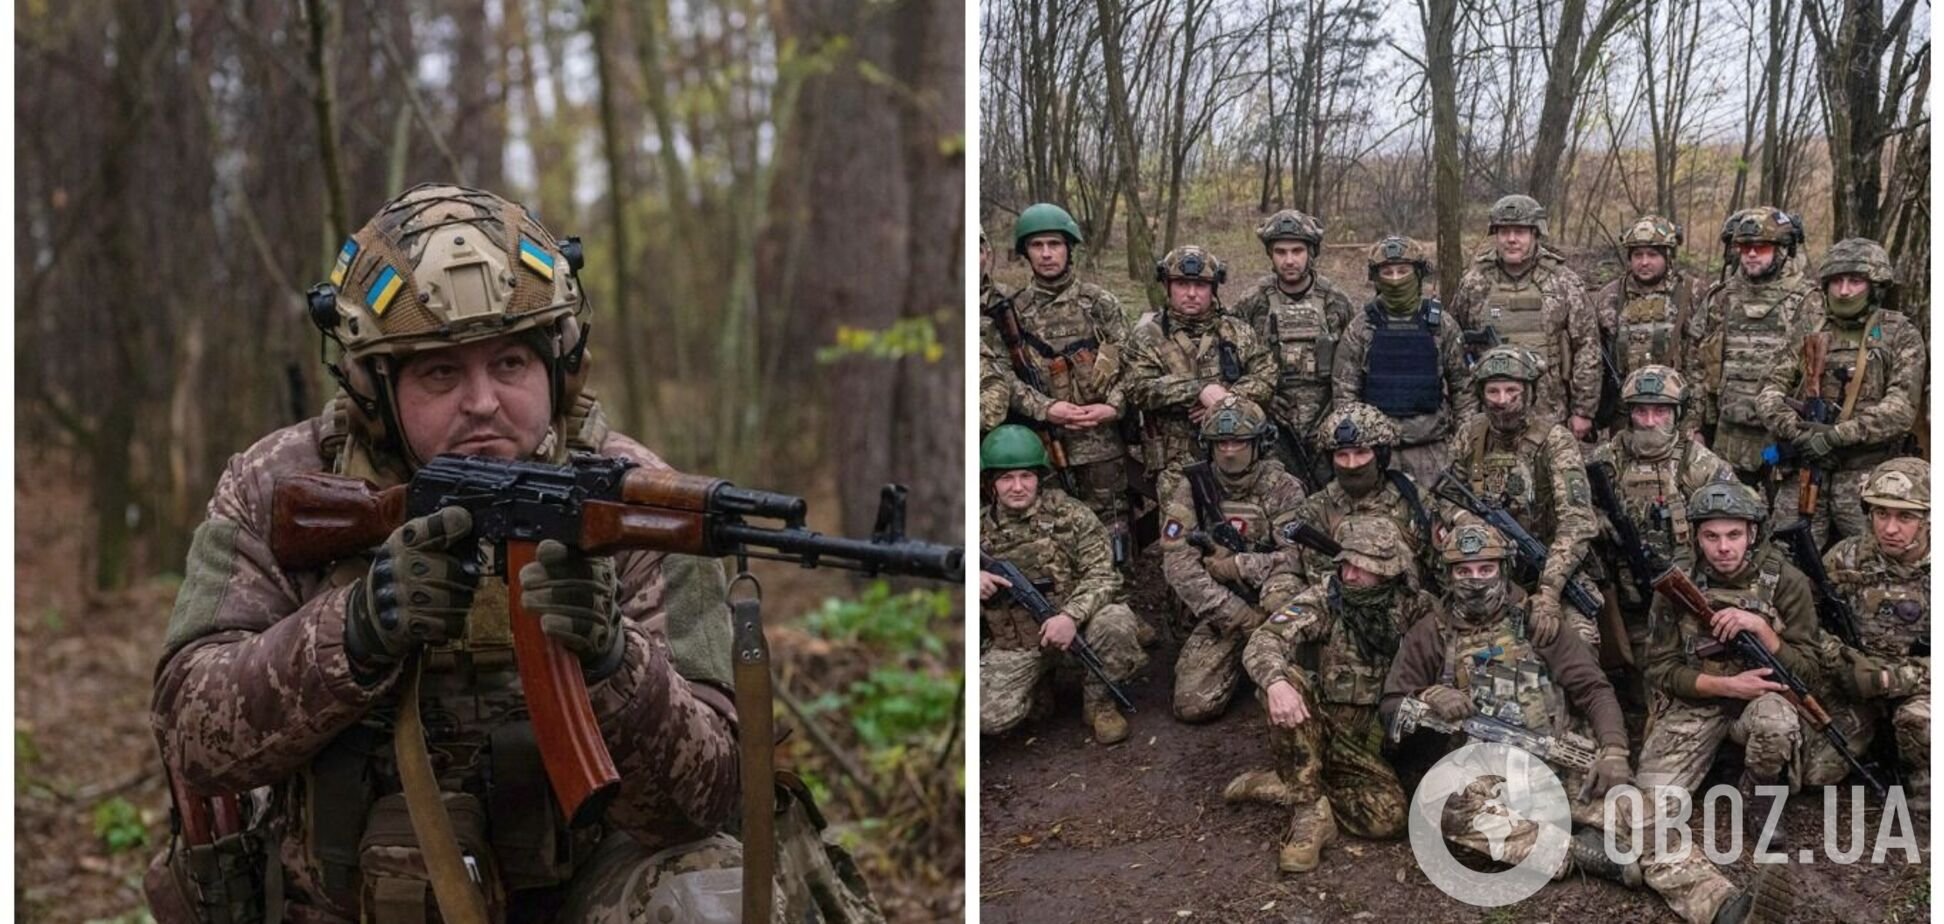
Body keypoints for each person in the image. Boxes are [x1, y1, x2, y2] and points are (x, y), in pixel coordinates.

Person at [145, 185, 877, 923]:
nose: (483, 402)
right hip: (337, 901)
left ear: (559, 365)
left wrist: (612, 660)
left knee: (704, 892)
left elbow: (708, 799)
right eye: (440, 372)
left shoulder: (637, 503)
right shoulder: (283, 485)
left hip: (581, 899)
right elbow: (190, 736)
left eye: (511, 363)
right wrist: (357, 631)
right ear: (373, 386)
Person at [1384, 518, 1790, 924]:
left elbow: (1593, 689)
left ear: (1502, 569)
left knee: (1639, 816)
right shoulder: (1431, 634)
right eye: (1464, 571)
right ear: (1449, 575)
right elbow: (1391, 704)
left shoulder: (1535, 622)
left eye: (1486, 568)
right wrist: (1426, 695)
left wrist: (1613, 750)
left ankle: (1726, 907)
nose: (1476, 581)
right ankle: (1583, 854)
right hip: (1485, 774)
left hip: (1559, 758)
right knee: (1438, 802)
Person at [1637, 481, 1841, 849]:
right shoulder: (1677, 584)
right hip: (1697, 701)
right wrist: (1728, 686)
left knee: (1777, 722)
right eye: (1711, 536)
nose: (1723, 547)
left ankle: (1761, 792)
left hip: (1762, 701)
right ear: (1696, 538)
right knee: (1645, 811)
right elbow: (1659, 668)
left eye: (1734, 535)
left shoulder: (1786, 581)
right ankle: (1720, 760)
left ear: (1752, 534)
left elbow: (1809, 673)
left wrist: (1763, 630)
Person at [1225, 516, 1430, 872]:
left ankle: (1287, 784)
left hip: (1370, 744)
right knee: (1287, 681)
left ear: (1388, 571)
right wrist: (1276, 683)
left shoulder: (1413, 605)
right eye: (1346, 564)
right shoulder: (1326, 599)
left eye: (1362, 568)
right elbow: (1265, 639)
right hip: (1318, 728)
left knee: (1390, 819)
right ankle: (1309, 812)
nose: (1349, 575)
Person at [977, 425, 1147, 745]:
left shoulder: (1071, 515)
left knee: (1116, 622)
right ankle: (1040, 686)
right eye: (1006, 478)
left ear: (1039, 478)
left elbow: (1104, 574)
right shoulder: (975, 530)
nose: (1017, 487)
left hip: (1074, 630)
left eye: (1026, 476)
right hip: (1018, 644)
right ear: (990, 483)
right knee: (987, 717)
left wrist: (1070, 616)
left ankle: (1100, 703)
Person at [1756, 237, 1926, 543]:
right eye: (1837, 281)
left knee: (1874, 555)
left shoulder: (1899, 334)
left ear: (1875, 286)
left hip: (1868, 473)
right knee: (1786, 554)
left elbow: (1901, 407)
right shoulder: (1808, 328)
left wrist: (1836, 436)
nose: (1844, 291)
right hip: (1805, 466)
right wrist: (1798, 433)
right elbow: (1769, 390)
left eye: (1855, 281)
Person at [1157, 397, 1305, 722]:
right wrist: (1236, 614)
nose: (1228, 451)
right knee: (1191, 706)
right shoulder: (1192, 488)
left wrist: (1240, 565)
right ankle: (1242, 653)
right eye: (1220, 443)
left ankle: (1283, 670)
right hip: (1223, 607)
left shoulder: (1283, 488)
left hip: (1270, 597)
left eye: (1238, 442)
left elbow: (1297, 557)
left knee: (1284, 594)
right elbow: (1177, 563)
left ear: (1258, 443)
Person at [997, 203, 1137, 546]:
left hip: (1102, 445)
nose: (1046, 254)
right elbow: (1001, 379)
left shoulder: (1100, 304)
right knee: (1053, 539)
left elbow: (1136, 364)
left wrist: (1113, 406)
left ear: (1069, 248)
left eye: (1054, 244)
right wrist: (1046, 408)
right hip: (1042, 448)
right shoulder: (1012, 314)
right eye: (1037, 245)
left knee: (1114, 535)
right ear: (1026, 252)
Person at [1443, 345, 1600, 646]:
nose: (1502, 401)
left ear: (1528, 393)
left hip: (1550, 565)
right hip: (1485, 570)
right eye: (1493, 391)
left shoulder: (1555, 440)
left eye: (1511, 391)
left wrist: (1549, 591)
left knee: (1580, 638)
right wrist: (1464, 519)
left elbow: (1577, 522)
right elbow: (1446, 493)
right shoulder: (1471, 434)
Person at [1586, 365, 1735, 668]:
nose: (1650, 422)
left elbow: (1737, 528)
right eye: (1641, 412)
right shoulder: (1606, 460)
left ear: (1677, 414)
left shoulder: (1702, 465)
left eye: (1660, 412)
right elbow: (1571, 513)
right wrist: (1596, 519)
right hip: (1624, 595)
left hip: (1690, 595)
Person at [1817, 457, 1931, 814]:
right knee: (1815, 772)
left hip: (1920, 688)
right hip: (1854, 685)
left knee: (1920, 723)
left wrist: (1889, 679)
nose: (1890, 528)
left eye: (1905, 517)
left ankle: (1924, 785)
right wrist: (1840, 660)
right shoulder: (1846, 557)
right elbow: (1804, 623)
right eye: (1881, 514)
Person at [1124, 245, 1278, 499]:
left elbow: (1266, 377)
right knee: (1180, 521)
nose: (1192, 293)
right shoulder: (1147, 337)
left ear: (1213, 288)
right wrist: (1198, 391)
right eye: (1182, 284)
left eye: (1201, 285)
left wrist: (1225, 400)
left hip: (1238, 454)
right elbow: (1137, 387)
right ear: (1167, 286)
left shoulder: (1237, 332)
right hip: (1176, 462)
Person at [1448, 194, 1601, 439]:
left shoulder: (1563, 282)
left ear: (1535, 233)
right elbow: (1455, 347)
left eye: (1519, 232)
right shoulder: (1474, 283)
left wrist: (1583, 410)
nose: (1511, 239)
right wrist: (1465, 414)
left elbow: (1587, 347)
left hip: (1549, 412)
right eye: (1504, 232)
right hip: (1490, 414)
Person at [1689, 206, 1820, 483]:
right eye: (1744, 247)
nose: (1750, 254)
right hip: (1728, 434)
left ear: (1781, 250)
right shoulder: (1721, 299)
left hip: (1783, 439)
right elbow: (1698, 366)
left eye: (1761, 247)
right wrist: (1695, 425)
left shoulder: (1808, 301)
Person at [1330, 235, 1475, 485]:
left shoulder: (1442, 324)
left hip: (1434, 450)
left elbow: (1464, 390)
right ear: (1376, 278)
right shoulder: (1361, 327)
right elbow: (1345, 394)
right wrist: (1357, 449)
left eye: (1403, 271)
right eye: (1388, 272)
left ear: (1418, 274)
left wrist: (1461, 445)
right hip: (1378, 453)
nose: (1396, 279)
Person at [1229, 209, 1355, 483]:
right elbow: (1231, 364)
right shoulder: (1252, 302)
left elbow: (1354, 365)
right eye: (1280, 252)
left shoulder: (1336, 301)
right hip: (1270, 424)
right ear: (1270, 255)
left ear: (1311, 252)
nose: (1289, 260)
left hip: (1328, 423)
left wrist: (1341, 414)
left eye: (1297, 251)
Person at [1284, 403, 1437, 585]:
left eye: (1361, 453)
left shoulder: (1413, 500)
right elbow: (1318, 574)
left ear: (1380, 456)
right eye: (1342, 455)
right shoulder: (1317, 509)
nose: (1352, 464)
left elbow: (1436, 567)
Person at [1594, 215, 1707, 432]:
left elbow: (1702, 363)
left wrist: (1695, 422)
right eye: (1638, 255)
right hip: (1626, 414)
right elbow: (1596, 357)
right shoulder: (1610, 295)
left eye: (1653, 254)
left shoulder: (1692, 293)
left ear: (1668, 256)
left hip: (1677, 414)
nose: (1644, 262)